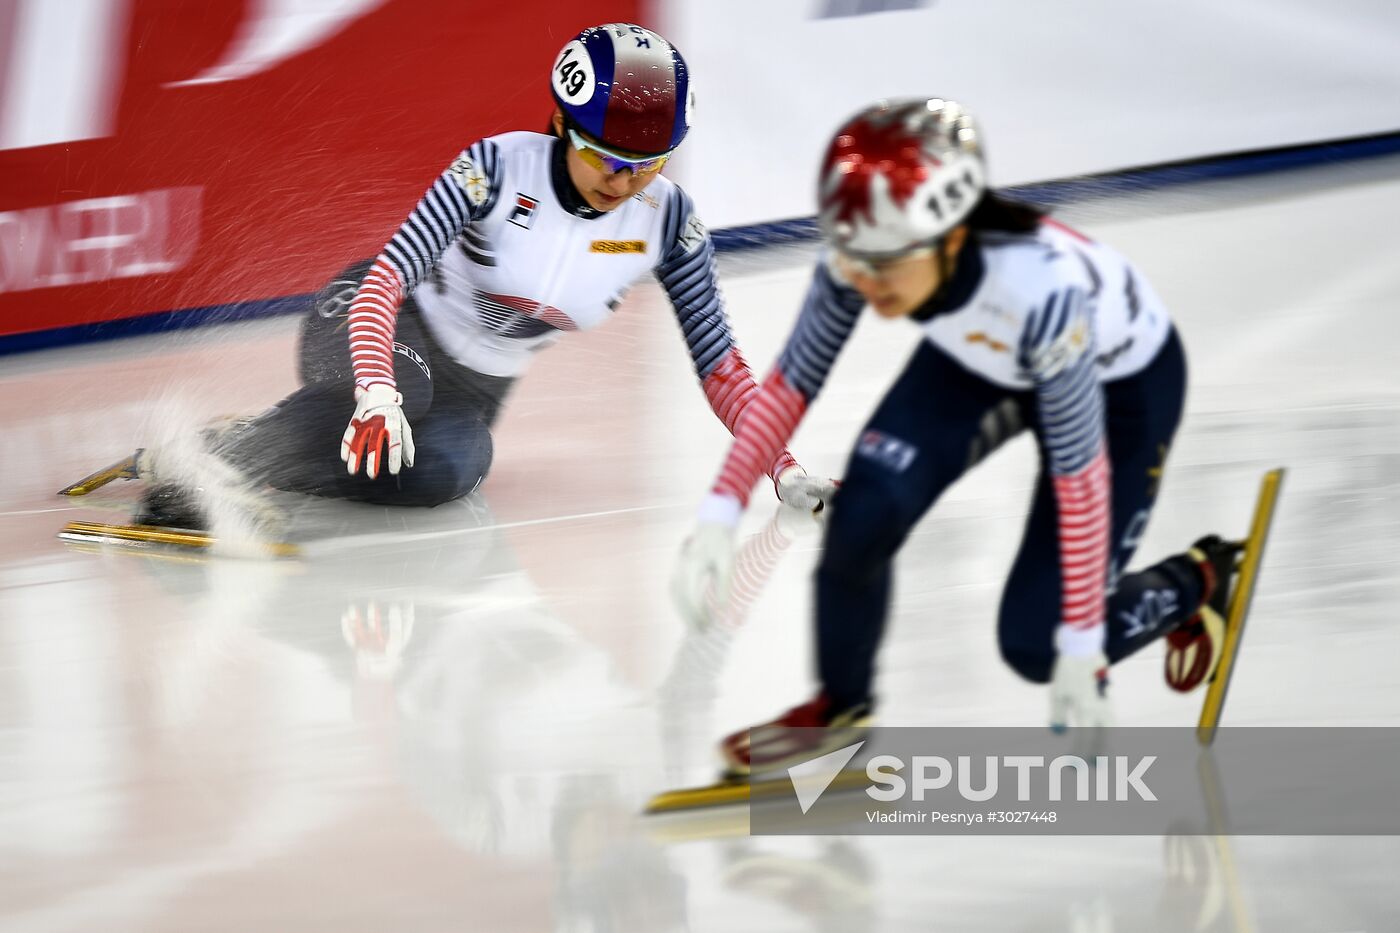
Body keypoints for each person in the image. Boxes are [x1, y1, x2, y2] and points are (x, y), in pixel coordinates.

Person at [670, 98, 1242, 775]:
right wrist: (721, 510)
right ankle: (841, 709)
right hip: (980, 357)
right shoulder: (868, 247)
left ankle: (1200, 579)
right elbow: (791, 385)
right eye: (852, 257)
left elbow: (1079, 472)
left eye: (885, 264)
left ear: (953, 236)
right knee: (863, 513)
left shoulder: (1043, 293)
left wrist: (1083, 643)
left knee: (1037, 642)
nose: (864, 280)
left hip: (1120, 387)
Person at [135, 23, 831, 528]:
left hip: (469, 391)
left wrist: (785, 467)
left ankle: (277, 442)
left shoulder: (669, 221)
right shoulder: (494, 168)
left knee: (453, 467)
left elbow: (722, 368)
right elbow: (386, 280)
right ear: (561, 124)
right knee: (404, 390)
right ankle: (216, 459)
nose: (623, 182)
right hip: (368, 321)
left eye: (646, 165)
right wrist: (375, 389)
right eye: (604, 157)